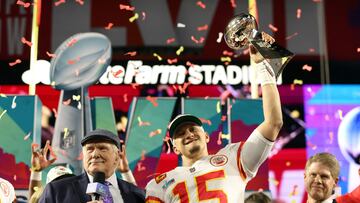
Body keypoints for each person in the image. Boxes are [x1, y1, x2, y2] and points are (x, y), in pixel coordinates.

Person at [145, 32, 283, 202]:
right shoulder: (159, 184)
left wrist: (262, 66)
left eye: (192, 129)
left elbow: (273, 123)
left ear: (206, 136)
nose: (188, 134)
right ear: (175, 149)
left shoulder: (233, 158)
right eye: (180, 134)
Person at [39, 129, 145, 203]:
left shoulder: (138, 195)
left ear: (117, 157)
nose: (94, 154)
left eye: (102, 148)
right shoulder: (57, 191)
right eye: (89, 149)